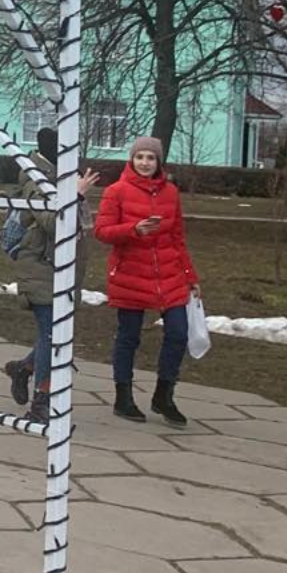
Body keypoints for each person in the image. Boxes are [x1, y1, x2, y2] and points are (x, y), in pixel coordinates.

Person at [94, 134, 200, 426]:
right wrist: (133, 230)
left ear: (158, 162)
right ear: (132, 159)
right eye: (140, 157)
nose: (144, 162)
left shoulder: (171, 193)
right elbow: (102, 231)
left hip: (168, 274)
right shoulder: (116, 191)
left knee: (178, 333)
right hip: (130, 273)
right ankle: (123, 397)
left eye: (150, 158)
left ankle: (164, 396)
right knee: (129, 336)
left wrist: (190, 276)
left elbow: (177, 237)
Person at [3, 127, 102, 424]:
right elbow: (52, 222)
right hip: (40, 267)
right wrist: (77, 194)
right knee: (52, 333)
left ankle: (24, 368)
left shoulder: (61, 175)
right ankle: (40, 402)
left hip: (62, 267)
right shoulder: (36, 178)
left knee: (59, 332)